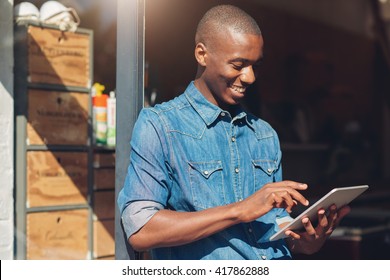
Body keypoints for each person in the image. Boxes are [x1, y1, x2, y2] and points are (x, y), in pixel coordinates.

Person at [117, 4, 350, 260]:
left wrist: (305, 241)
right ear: (202, 54)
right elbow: (141, 229)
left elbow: (274, 226)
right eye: (239, 64)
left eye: (256, 66)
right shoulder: (160, 125)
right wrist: (239, 210)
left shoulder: (264, 134)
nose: (249, 77)